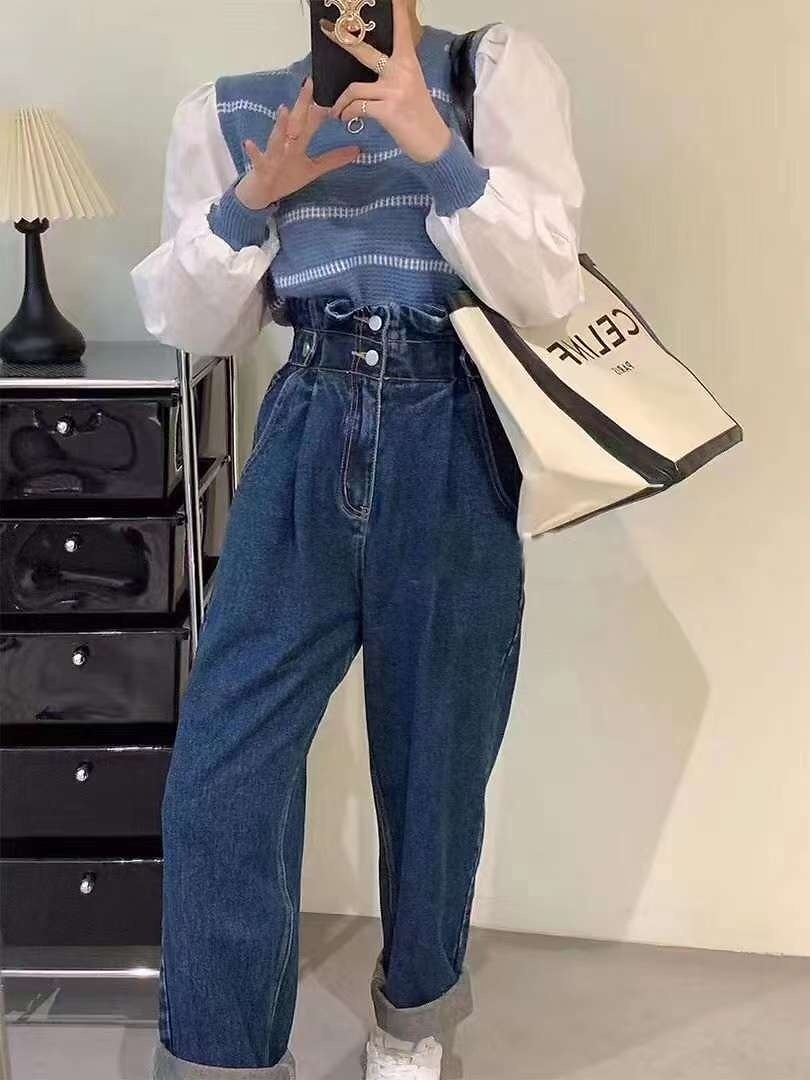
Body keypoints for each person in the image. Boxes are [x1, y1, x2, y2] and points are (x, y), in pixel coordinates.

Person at [130, 1, 585, 1077]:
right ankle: (221, 1059)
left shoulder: (491, 76)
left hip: (452, 426)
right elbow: (193, 327)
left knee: (437, 760)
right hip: (307, 418)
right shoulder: (234, 111)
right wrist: (254, 198)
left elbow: (549, 290)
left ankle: (412, 1025)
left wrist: (436, 147)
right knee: (223, 769)